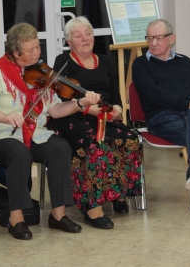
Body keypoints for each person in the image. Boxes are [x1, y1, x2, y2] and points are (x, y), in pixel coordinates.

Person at [0, 22, 101, 240]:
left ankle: (58, 215)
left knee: (60, 147)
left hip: (33, 131)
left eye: (38, 47)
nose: (37, 53)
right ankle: (17, 218)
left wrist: (80, 103)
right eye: (31, 50)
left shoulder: (41, 73)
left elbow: (55, 110)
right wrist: (5, 117)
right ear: (15, 53)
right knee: (19, 152)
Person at [47, 16, 143, 229]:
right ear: (69, 42)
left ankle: (116, 193)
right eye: (78, 35)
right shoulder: (62, 62)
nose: (85, 38)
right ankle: (92, 208)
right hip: (73, 117)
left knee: (130, 139)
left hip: (105, 116)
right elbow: (62, 98)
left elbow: (115, 93)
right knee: (94, 144)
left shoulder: (105, 60)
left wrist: (116, 111)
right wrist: (94, 110)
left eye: (88, 33)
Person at [132, 18, 190, 217]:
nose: (153, 43)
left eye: (158, 38)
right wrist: (187, 103)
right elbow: (153, 94)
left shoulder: (185, 62)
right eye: (149, 38)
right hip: (161, 118)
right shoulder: (141, 64)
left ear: (171, 38)